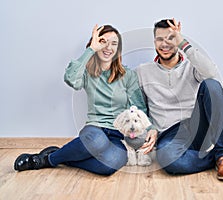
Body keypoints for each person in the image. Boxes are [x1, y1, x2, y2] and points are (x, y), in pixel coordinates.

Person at [14, 24, 148, 175]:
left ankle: (62, 156)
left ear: (118, 50)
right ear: (96, 43)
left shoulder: (128, 75)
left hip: (119, 134)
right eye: (104, 42)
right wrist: (90, 50)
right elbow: (70, 79)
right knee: (98, 142)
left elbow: (139, 108)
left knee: (109, 166)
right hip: (95, 128)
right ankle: (44, 160)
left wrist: (148, 132)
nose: (108, 47)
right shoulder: (87, 73)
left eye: (114, 44)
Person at [137, 18, 223, 181]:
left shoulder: (192, 66)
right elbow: (139, 108)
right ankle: (222, 157)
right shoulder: (142, 71)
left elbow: (212, 76)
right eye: (160, 39)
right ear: (154, 42)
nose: (164, 44)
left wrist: (183, 44)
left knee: (211, 85)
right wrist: (149, 129)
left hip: (196, 125)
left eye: (170, 38)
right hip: (169, 133)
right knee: (169, 161)